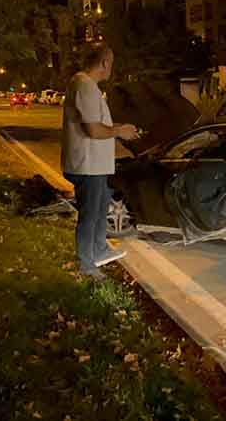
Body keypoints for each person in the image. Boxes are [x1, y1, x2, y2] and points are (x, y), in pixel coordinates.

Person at [61, 43, 140, 279]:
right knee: (89, 215)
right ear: (105, 63)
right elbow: (93, 130)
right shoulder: (84, 85)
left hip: (96, 166)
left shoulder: (88, 86)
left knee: (99, 211)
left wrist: (120, 128)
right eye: (111, 63)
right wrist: (119, 132)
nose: (111, 68)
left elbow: (97, 124)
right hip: (88, 166)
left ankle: (99, 249)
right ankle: (86, 264)